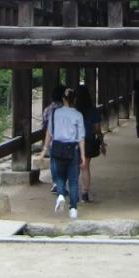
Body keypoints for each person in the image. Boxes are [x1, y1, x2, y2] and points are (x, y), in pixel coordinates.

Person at [43, 88, 85, 218]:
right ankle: (73, 209)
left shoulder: (55, 113)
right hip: (72, 149)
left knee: (59, 176)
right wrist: (83, 155)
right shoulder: (78, 115)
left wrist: (44, 149)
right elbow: (81, 137)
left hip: (57, 148)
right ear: (75, 99)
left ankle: (61, 195)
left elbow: (49, 132)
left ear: (63, 99)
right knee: (73, 181)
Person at [74, 84, 105, 203]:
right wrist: (102, 142)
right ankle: (85, 193)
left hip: (74, 141)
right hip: (88, 141)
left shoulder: (73, 110)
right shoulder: (93, 110)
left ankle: (73, 191)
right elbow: (97, 129)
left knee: (74, 167)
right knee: (85, 167)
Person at [41, 83, 64, 193]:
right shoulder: (66, 109)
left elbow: (45, 127)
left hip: (52, 140)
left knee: (53, 161)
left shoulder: (48, 109)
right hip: (66, 139)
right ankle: (62, 182)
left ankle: (55, 182)